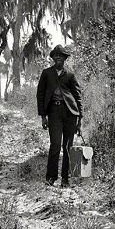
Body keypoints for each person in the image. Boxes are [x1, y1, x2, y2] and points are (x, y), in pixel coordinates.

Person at [36, 44, 83, 187]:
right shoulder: (46, 73)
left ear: (64, 59)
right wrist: (43, 116)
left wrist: (80, 118)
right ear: (52, 58)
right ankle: (51, 178)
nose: (58, 58)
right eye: (55, 55)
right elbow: (41, 95)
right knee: (55, 145)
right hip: (53, 113)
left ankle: (65, 179)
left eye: (61, 56)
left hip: (70, 113)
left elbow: (77, 95)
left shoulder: (70, 74)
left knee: (68, 146)